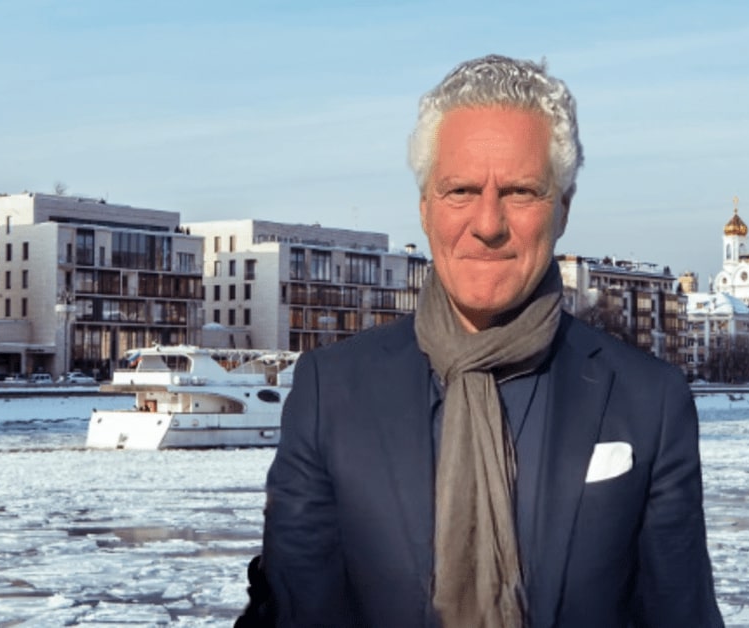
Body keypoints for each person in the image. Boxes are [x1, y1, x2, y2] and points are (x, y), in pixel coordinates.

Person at [254, 54, 723, 627]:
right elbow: (300, 612)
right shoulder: (332, 393)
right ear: (426, 208)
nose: (488, 223)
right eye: (461, 191)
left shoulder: (648, 401)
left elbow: (682, 614)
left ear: (563, 210)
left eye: (521, 191)